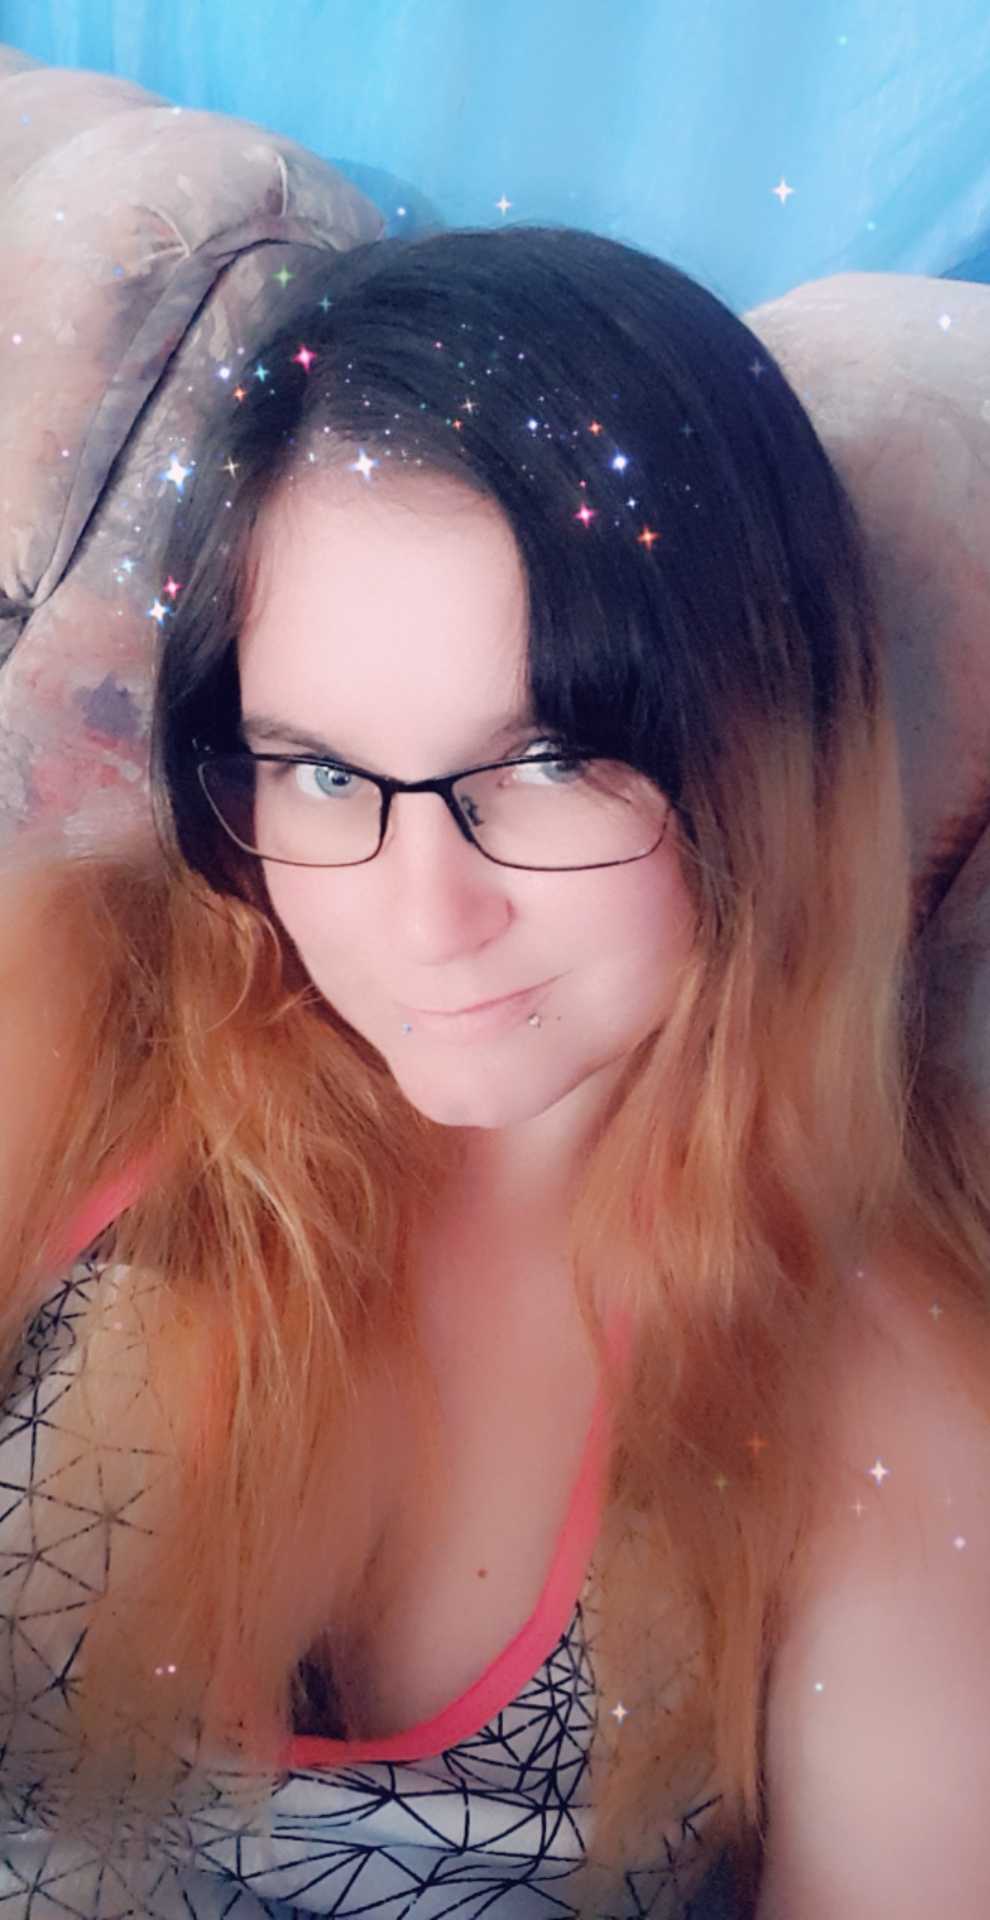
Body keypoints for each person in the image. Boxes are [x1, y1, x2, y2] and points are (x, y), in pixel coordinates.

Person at [1, 224, 989, 1920]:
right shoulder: (74, 1011)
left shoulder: (877, 1394)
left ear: (767, 748)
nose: (421, 919)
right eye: (321, 773)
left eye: (542, 761)